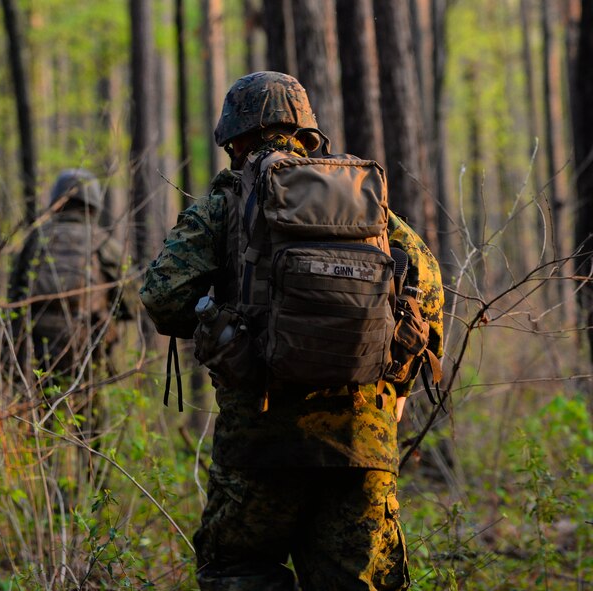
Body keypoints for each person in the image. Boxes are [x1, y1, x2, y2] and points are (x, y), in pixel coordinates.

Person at [139, 71, 444, 591]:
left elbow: (163, 296)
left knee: (239, 572)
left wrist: (224, 327)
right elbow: (429, 286)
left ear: (235, 138)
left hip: (260, 440)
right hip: (361, 441)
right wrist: (397, 382)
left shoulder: (225, 204)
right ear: (307, 133)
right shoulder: (364, 201)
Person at [7, 168, 135, 388]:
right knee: (88, 419)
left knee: (38, 415)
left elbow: (14, 296)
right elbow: (133, 300)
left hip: (35, 348)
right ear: (93, 204)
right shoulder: (103, 243)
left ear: (57, 199)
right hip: (86, 348)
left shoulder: (36, 240)